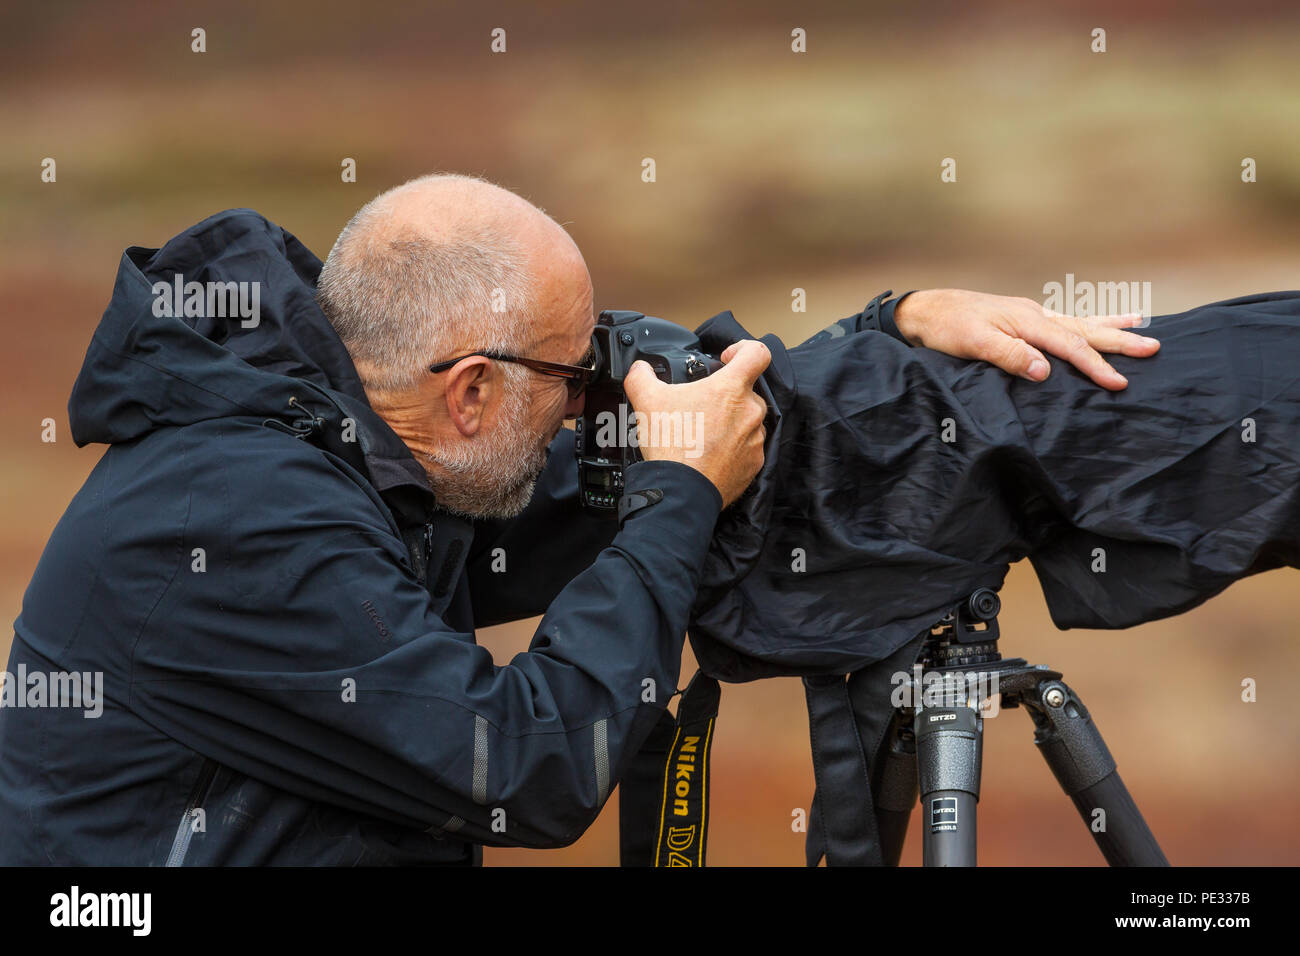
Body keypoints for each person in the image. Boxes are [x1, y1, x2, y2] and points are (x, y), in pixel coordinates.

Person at [0, 173, 1156, 865]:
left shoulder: (351, 443)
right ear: (470, 391)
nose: (581, 414)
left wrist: (884, 327)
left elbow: (577, 500)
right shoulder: (241, 522)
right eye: (568, 381)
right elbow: (529, 763)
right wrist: (677, 491)